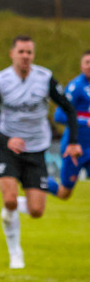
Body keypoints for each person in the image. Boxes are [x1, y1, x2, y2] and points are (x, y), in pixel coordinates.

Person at [0, 35, 78, 269]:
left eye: (29, 52)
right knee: (9, 199)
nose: (25, 56)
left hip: (36, 149)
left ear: (33, 55)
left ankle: (13, 206)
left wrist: (73, 141)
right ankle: (15, 253)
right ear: (12, 54)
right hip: (9, 149)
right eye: (21, 52)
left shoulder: (44, 78)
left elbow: (69, 109)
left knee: (36, 211)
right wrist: (7, 140)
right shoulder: (0, 81)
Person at [47, 50, 90, 201]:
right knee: (64, 193)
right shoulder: (76, 86)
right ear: (81, 65)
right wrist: (84, 122)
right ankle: (38, 180)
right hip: (75, 147)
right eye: (87, 62)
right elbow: (59, 116)